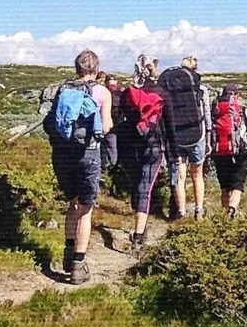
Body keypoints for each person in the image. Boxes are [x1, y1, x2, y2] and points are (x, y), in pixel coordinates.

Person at [49, 50, 114, 284]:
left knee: (72, 202)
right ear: (97, 69)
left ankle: (67, 252)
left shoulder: (62, 90)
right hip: (88, 153)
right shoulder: (102, 92)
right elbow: (106, 126)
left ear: (76, 68)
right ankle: (78, 264)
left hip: (62, 155)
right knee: (86, 209)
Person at [118, 55, 167, 250]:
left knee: (137, 183)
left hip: (132, 145)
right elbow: (168, 124)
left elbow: (119, 118)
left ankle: (137, 217)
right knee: (145, 187)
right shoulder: (161, 93)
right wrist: (172, 152)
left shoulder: (128, 93)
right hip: (153, 146)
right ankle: (139, 234)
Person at [158, 55, 210, 220]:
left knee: (179, 176)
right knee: (197, 175)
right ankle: (199, 210)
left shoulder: (168, 88)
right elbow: (206, 115)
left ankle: (181, 213)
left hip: (175, 137)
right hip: (197, 134)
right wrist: (208, 138)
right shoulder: (201, 89)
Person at [210, 82, 247, 219]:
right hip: (239, 152)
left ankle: (223, 215)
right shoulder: (244, 111)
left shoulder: (214, 110)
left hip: (219, 151)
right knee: (237, 185)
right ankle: (232, 210)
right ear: (236, 95)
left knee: (225, 187)